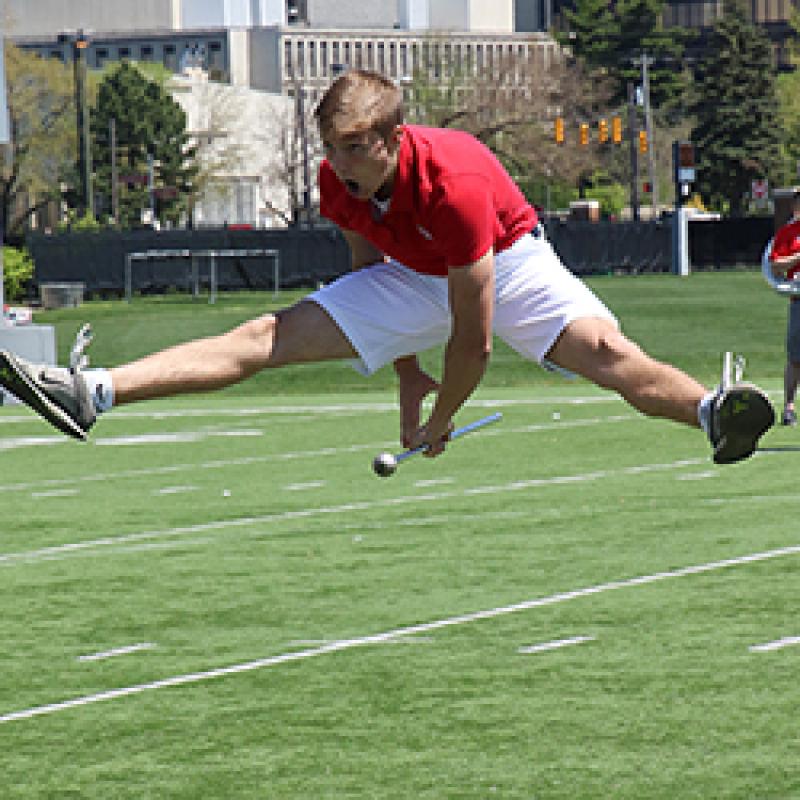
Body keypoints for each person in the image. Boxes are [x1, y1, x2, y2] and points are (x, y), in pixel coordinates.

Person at [0, 70, 774, 464]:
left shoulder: (456, 185)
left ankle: (713, 413)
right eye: (330, 148)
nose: (339, 165)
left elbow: (472, 339)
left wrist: (440, 418)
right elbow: (365, 264)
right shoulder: (336, 181)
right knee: (263, 336)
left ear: (395, 138)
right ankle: (92, 392)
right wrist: (405, 371)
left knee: (604, 352)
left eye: (354, 148)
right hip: (411, 272)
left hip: (503, 262)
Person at [768, 188, 800, 427]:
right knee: (795, 357)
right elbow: (776, 265)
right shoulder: (787, 234)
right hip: (798, 300)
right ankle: (789, 407)